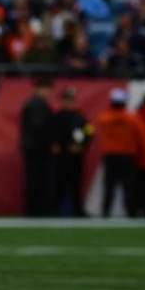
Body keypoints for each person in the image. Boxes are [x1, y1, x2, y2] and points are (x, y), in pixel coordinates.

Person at [94, 88, 145, 217]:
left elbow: (100, 122)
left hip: (111, 157)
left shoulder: (104, 117)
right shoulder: (133, 119)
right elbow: (142, 138)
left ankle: (105, 213)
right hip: (128, 157)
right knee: (129, 188)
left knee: (109, 188)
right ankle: (131, 213)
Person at [20, 77, 58, 216]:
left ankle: (38, 209)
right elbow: (40, 127)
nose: (49, 93)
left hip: (35, 148)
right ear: (38, 90)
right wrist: (51, 143)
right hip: (37, 149)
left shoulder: (37, 104)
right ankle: (37, 210)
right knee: (37, 181)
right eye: (47, 89)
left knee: (38, 180)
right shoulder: (36, 105)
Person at [52, 87, 93, 217]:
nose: (70, 103)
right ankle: (56, 210)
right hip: (61, 157)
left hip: (75, 157)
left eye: (72, 100)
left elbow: (90, 132)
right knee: (58, 184)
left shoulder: (80, 118)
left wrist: (82, 146)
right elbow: (52, 135)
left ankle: (77, 210)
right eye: (67, 100)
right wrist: (56, 145)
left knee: (76, 184)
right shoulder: (57, 117)